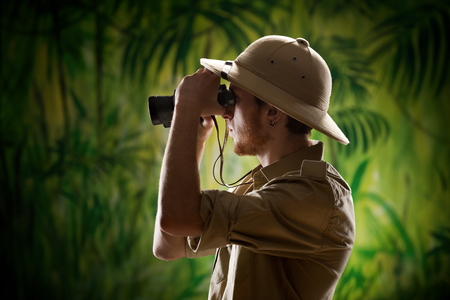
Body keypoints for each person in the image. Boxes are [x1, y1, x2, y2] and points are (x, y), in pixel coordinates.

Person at [152, 35, 355, 300]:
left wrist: (187, 106)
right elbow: (168, 245)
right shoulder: (257, 188)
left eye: (233, 98)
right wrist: (194, 135)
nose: (226, 112)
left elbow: (177, 217)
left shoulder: (313, 197)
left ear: (272, 112)